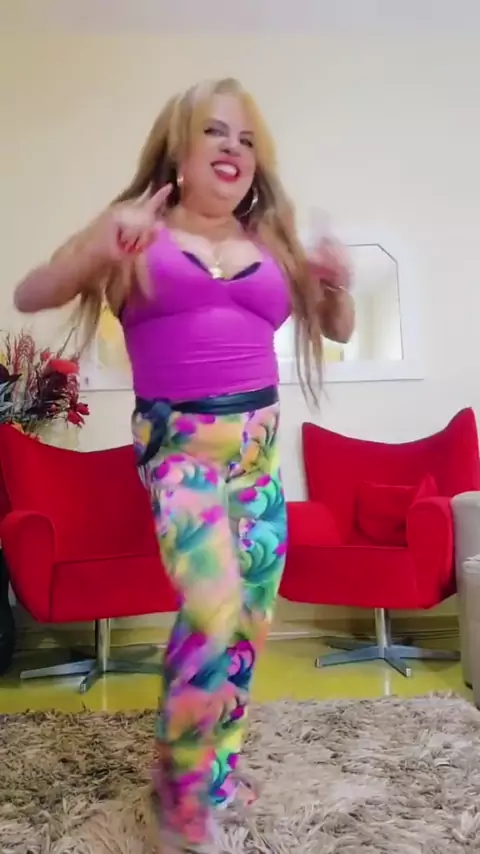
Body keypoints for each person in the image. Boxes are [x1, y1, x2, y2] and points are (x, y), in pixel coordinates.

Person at [14, 78, 354, 853]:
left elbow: (335, 325)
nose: (234, 148)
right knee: (212, 603)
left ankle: (218, 768)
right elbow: (32, 292)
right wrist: (100, 247)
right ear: (178, 148)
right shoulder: (135, 230)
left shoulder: (272, 241)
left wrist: (336, 287)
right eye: (216, 132)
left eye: (246, 138)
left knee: (248, 620)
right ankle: (182, 788)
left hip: (258, 453)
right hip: (179, 448)